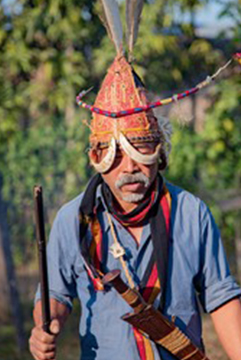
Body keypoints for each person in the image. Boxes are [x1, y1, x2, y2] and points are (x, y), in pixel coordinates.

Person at [29, 3, 241, 360]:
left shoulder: (191, 214)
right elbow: (55, 295)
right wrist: (43, 329)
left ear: (159, 151)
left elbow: (221, 298)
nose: (131, 168)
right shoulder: (72, 219)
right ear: (97, 157)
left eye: (141, 150)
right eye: (116, 154)